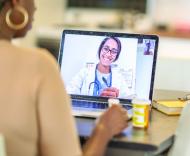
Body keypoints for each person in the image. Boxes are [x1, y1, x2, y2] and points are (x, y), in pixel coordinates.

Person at [0, 0, 128, 156]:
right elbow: (70, 91)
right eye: (106, 49)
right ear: (16, 2)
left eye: (113, 52)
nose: (35, 6)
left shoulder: (119, 76)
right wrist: (104, 127)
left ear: (116, 57)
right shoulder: (40, 65)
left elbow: (131, 97)